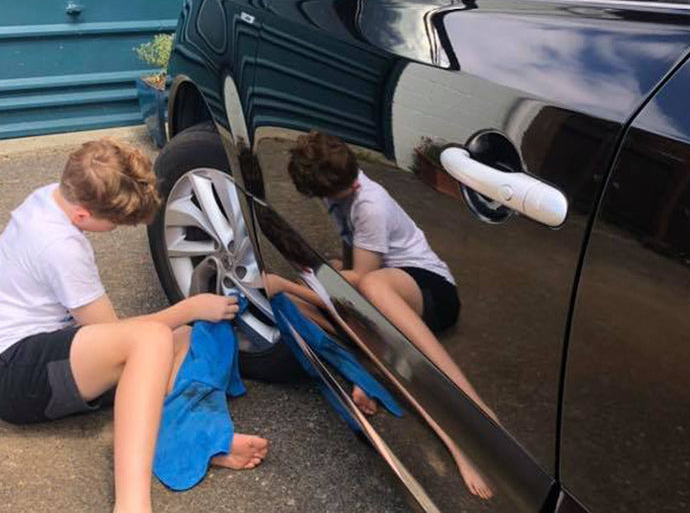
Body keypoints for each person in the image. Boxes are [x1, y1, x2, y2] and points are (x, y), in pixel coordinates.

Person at [0, 138, 267, 513]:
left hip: (43, 354)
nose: (115, 229)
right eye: (114, 223)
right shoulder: (60, 247)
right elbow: (117, 335)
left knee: (182, 339)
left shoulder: (49, 197)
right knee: (153, 339)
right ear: (82, 215)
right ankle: (131, 504)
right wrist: (189, 307)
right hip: (15, 375)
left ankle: (197, 440)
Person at [287, 130, 495, 499]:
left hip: (431, 291)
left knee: (362, 285)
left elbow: (362, 278)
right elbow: (351, 254)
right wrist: (324, 273)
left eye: (349, 184)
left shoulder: (370, 204)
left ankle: (473, 414)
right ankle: (368, 368)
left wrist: (312, 275)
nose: (351, 188)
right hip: (387, 286)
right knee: (309, 292)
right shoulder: (338, 196)